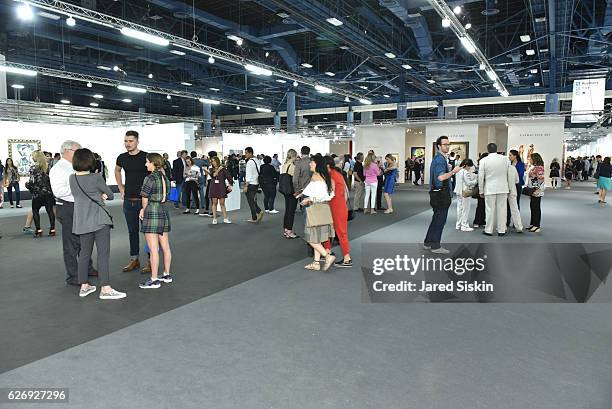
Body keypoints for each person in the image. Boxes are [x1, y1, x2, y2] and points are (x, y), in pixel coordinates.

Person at [69, 148, 125, 300]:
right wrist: (102, 195)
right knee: (103, 254)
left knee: (84, 254)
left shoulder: (72, 178)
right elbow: (112, 195)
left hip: (81, 221)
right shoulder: (95, 178)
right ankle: (105, 289)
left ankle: (84, 286)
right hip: (99, 220)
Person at [50, 141, 97, 285]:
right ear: (68, 151)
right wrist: (81, 187)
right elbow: (58, 191)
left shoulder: (75, 167)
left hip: (81, 206)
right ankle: (73, 275)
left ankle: (87, 268)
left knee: (85, 239)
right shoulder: (58, 169)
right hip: (68, 207)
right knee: (71, 243)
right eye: (78, 150)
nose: (81, 153)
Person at [115, 130, 149, 273]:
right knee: (132, 231)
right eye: (126, 141)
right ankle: (134, 259)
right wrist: (121, 188)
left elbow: (155, 174)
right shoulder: (122, 157)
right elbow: (117, 171)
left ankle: (151, 260)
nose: (127, 144)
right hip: (128, 201)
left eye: (130, 141)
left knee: (148, 232)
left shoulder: (146, 157)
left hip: (144, 201)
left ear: (137, 141)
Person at [139, 153, 173, 289]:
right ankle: (166, 274)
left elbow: (144, 197)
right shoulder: (165, 178)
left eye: (147, 162)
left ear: (153, 163)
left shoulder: (149, 178)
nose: (146, 164)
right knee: (166, 247)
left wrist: (143, 209)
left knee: (153, 250)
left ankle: (154, 279)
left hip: (152, 211)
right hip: (164, 211)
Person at [299, 154, 336, 271]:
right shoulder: (324, 176)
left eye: (312, 162)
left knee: (310, 238)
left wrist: (309, 199)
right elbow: (330, 194)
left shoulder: (316, 177)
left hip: (315, 209)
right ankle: (316, 263)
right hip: (323, 209)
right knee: (317, 238)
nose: (310, 164)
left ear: (317, 165)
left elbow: (320, 195)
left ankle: (327, 256)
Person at [424, 136, 460, 254]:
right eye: (445, 144)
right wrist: (453, 172)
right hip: (441, 195)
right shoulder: (439, 159)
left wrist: (448, 168)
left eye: (448, 144)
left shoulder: (439, 159)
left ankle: (428, 242)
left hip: (437, 194)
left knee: (436, 219)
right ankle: (435, 246)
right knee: (440, 220)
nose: (447, 146)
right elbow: (440, 177)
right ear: (439, 146)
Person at [323, 156, 352, 267]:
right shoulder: (336, 174)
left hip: (336, 208)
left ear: (327, 166)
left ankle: (346, 258)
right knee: (333, 232)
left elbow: (331, 193)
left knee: (339, 232)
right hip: (338, 207)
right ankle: (328, 252)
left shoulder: (332, 176)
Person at [478, 143, 511, 237]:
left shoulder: (484, 160)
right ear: (497, 149)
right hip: (503, 187)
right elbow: (509, 173)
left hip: (489, 188)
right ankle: (501, 230)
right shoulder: (505, 159)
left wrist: (481, 190)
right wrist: (509, 187)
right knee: (502, 209)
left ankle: (488, 230)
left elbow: (481, 177)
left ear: (488, 149)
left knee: (489, 209)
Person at [27, 151, 56, 238]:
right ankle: (52, 229)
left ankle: (38, 230)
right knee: (50, 210)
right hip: (48, 193)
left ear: (36, 157)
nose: (32, 157)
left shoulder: (33, 168)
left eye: (32, 156)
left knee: (35, 210)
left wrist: (28, 185)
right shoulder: (49, 167)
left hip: (37, 193)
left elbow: (31, 181)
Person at [207, 156, 234, 224]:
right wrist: (219, 169)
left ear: (217, 161)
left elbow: (229, 177)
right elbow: (213, 175)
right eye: (212, 161)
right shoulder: (211, 169)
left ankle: (225, 218)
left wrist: (230, 185)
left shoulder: (223, 169)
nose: (213, 163)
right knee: (214, 203)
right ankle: (214, 218)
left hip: (221, 187)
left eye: (214, 161)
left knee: (222, 204)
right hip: (213, 187)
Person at [453, 159, 477, 232]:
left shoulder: (458, 171)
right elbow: (469, 183)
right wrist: (476, 181)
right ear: (466, 165)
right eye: (469, 166)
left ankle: (458, 224)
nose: (469, 168)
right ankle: (464, 225)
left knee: (459, 208)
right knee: (465, 209)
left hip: (458, 191)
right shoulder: (465, 172)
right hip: (465, 192)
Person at [280, 149, 298, 239]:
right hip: (292, 192)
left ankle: (286, 230)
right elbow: (295, 181)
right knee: (291, 211)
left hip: (285, 191)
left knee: (288, 210)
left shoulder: (284, 165)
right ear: (294, 156)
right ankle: (289, 230)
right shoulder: (292, 166)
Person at [525, 152, 545, 232]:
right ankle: (532, 223)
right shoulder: (534, 167)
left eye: (531, 158)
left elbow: (540, 180)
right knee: (532, 207)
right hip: (533, 190)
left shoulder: (539, 168)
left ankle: (537, 225)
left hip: (537, 190)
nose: (529, 159)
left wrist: (537, 189)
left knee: (536, 208)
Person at [243, 147, 264, 223]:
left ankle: (254, 217)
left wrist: (246, 186)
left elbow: (248, 175)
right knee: (252, 200)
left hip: (251, 184)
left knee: (250, 201)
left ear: (250, 153)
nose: (245, 154)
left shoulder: (249, 162)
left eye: (246, 153)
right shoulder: (257, 160)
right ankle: (258, 212)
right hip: (256, 183)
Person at [506, 158, 524, 233]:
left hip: (503, 191)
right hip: (513, 190)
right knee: (515, 209)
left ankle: (503, 226)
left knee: (503, 209)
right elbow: (517, 180)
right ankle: (519, 226)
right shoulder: (513, 168)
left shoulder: (502, 170)